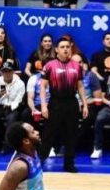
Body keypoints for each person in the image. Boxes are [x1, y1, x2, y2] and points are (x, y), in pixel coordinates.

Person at [38, 38, 89, 173]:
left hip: (72, 103)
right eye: (62, 47)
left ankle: (69, 163)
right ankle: (40, 162)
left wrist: (84, 104)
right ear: (56, 50)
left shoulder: (76, 66)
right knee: (48, 134)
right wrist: (43, 106)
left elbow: (80, 86)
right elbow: (42, 87)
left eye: (67, 46)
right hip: (55, 103)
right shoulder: (50, 65)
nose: (65, 49)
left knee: (71, 135)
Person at [0, 62, 25, 155]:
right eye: (4, 71)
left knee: (11, 118)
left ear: (13, 72)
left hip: (13, 106)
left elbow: (19, 100)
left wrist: (10, 106)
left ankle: (7, 145)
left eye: (9, 71)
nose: (7, 73)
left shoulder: (20, 83)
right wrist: (0, 95)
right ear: (1, 72)